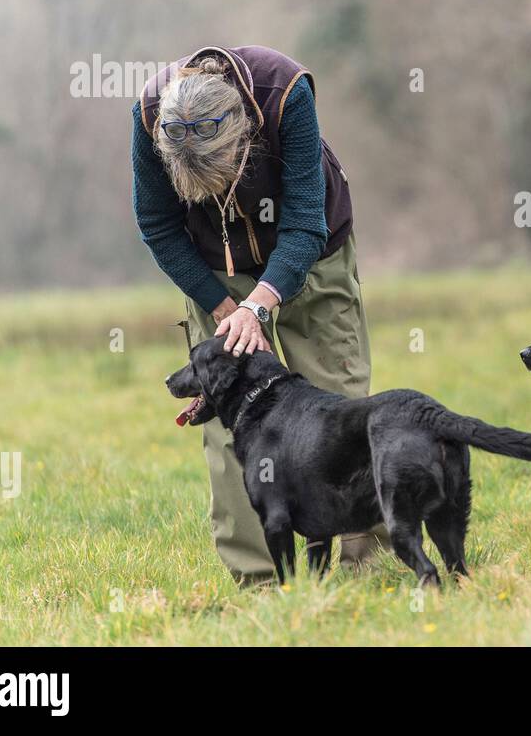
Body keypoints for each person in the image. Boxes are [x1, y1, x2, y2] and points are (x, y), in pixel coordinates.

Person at [131, 45, 383, 583]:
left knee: (339, 403)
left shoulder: (285, 92)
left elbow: (304, 225)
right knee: (229, 415)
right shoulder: (150, 114)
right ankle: (261, 579)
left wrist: (261, 303)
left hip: (311, 252)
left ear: (244, 134)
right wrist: (224, 304)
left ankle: (371, 567)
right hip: (214, 269)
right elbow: (157, 225)